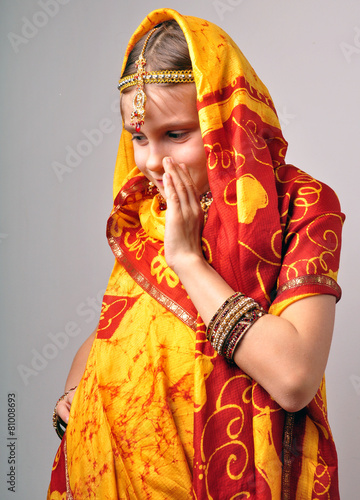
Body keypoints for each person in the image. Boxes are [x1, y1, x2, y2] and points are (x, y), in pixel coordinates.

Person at [47, 8, 345, 499]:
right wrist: (73, 397)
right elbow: (118, 326)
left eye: (176, 134)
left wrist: (187, 258)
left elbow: (293, 377)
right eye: (138, 137)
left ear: (224, 119)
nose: (152, 162)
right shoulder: (150, 211)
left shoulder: (301, 205)